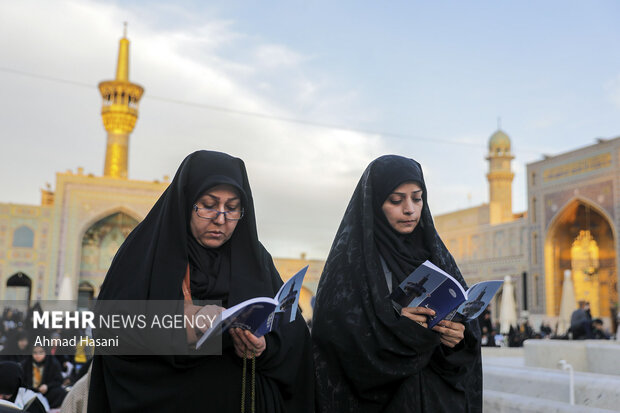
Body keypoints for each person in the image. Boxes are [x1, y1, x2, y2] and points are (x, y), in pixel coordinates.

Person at [87, 150, 313, 412]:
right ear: (186, 202)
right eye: (208, 205)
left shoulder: (254, 259)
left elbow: (294, 338)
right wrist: (184, 326)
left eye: (232, 208)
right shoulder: (146, 255)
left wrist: (263, 348)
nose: (221, 219)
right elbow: (109, 329)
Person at [312, 155, 481, 412]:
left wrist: (458, 336)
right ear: (375, 203)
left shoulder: (436, 256)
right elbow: (334, 340)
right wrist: (398, 327)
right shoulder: (350, 264)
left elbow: (465, 341)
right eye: (396, 200)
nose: (410, 209)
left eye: (417, 198)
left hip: (439, 399)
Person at [21, 345, 67, 409]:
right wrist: (31, 388)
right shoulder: (25, 364)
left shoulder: (53, 363)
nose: (38, 355)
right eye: (35, 352)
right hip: (30, 392)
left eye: (41, 352)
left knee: (60, 392)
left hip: (47, 393)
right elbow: (22, 381)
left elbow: (58, 380)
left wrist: (47, 386)